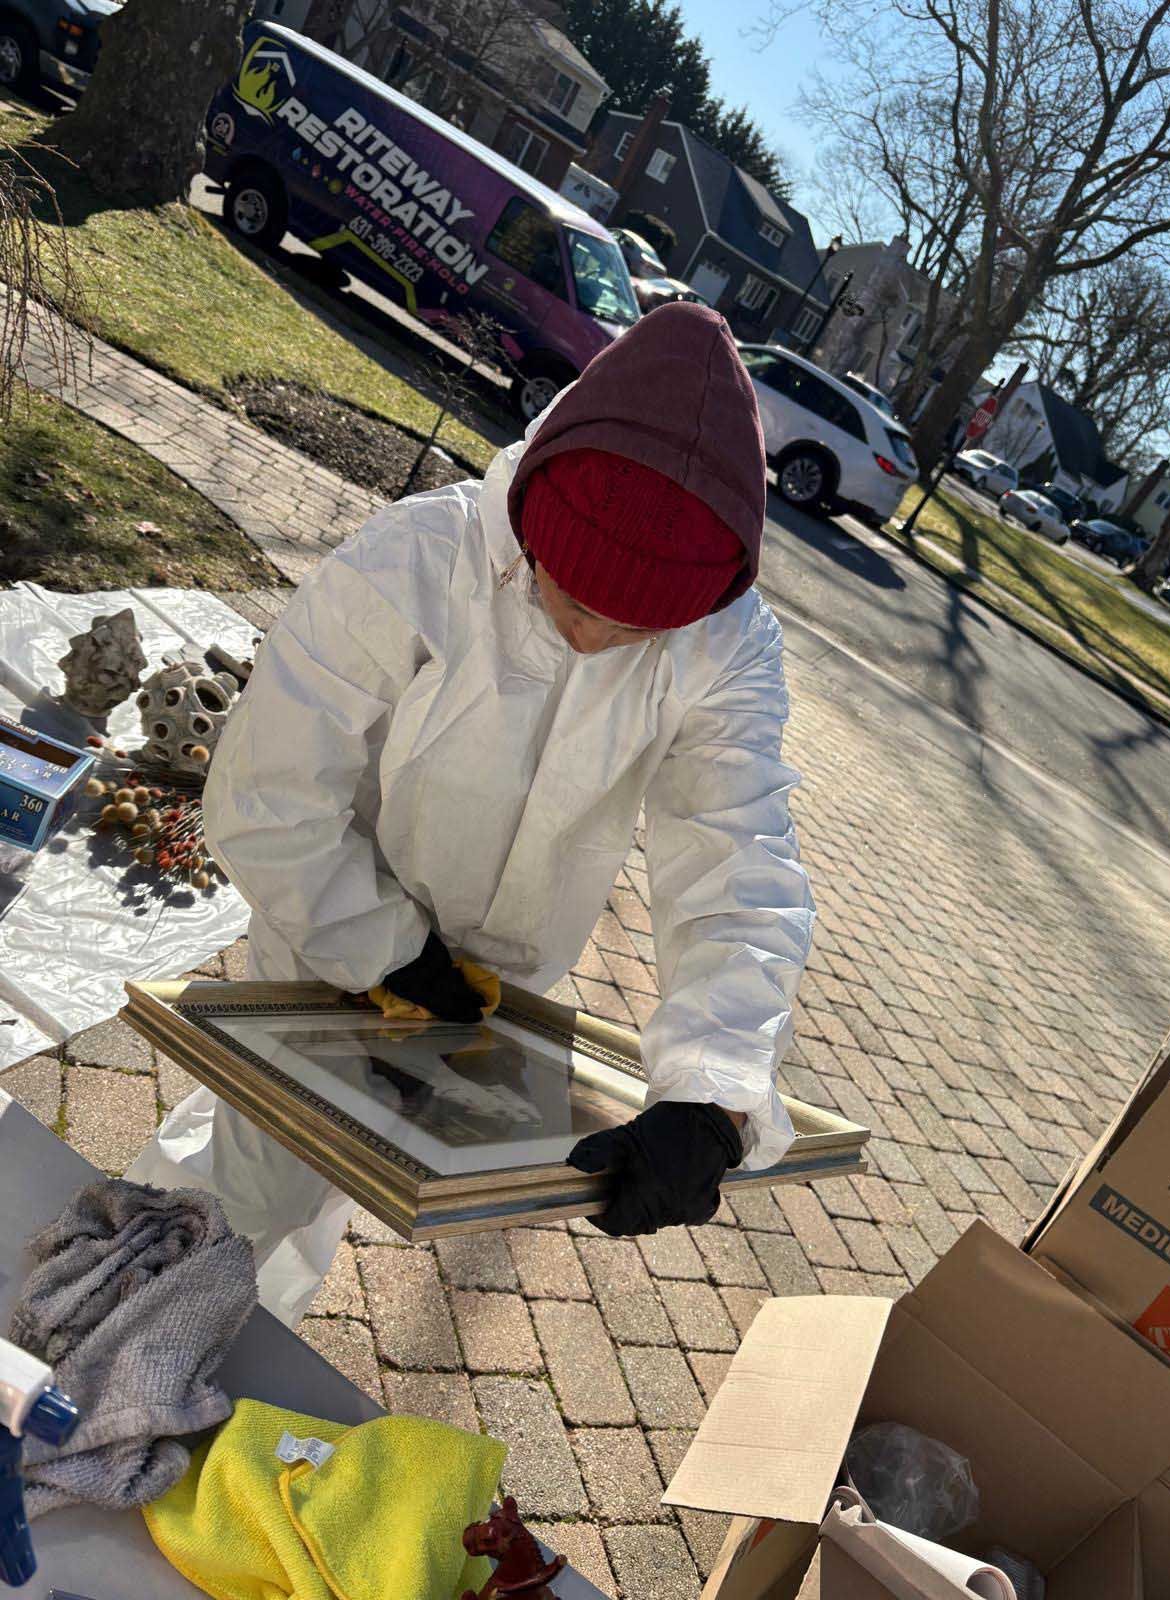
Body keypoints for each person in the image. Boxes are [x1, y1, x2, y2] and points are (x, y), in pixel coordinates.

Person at [126, 302, 815, 1326]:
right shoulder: (416, 558)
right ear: (529, 536)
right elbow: (272, 788)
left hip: (498, 982)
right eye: (572, 602)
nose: (593, 640)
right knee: (261, 1170)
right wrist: (383, 945)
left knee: (333, 1167)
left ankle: (215, 1325)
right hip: (328, 918)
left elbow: (736, 854)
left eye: (634, 630)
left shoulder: (726, 645)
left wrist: (711, 1089)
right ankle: (117, 1322)